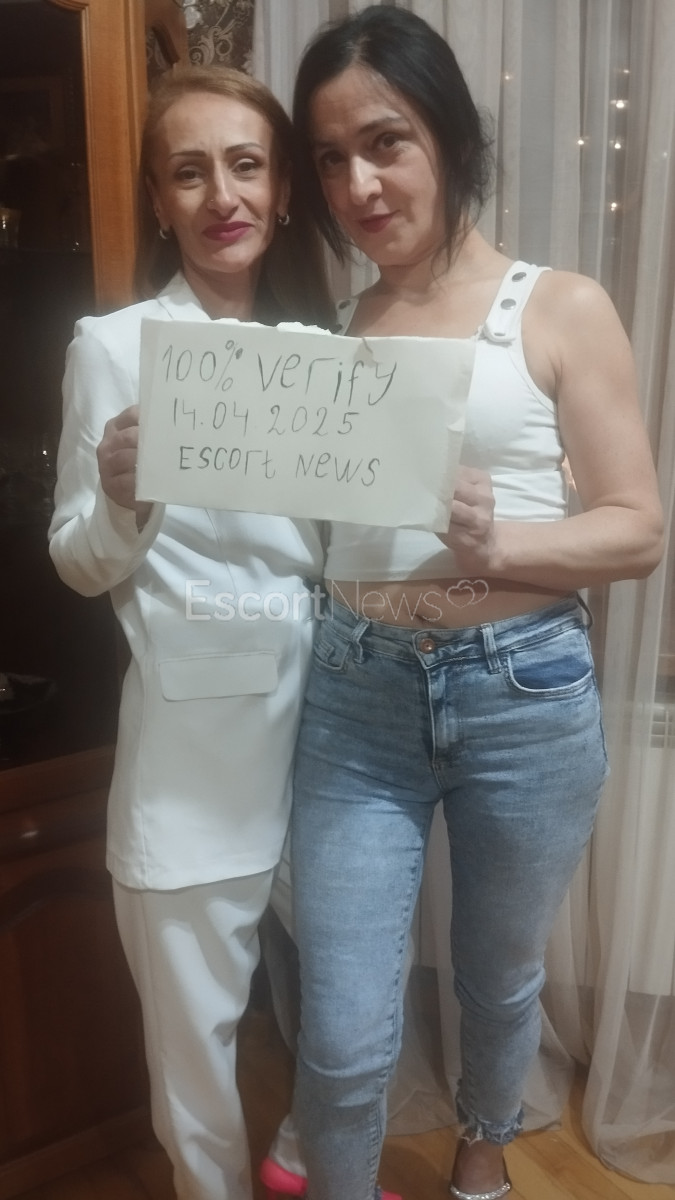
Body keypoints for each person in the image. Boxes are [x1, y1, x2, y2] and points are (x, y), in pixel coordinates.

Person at [276, 7, 665, 1200]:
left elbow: (639, 527)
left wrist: (505, 541)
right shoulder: (332, 334)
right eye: (330, 158)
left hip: (523, 694)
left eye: (385, 142)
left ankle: (483, 1160)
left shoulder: (560, 306)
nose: (358, 184)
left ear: (449, 135)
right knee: (345, 1020)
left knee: (499, 978)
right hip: (355, 696)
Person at [48, 64, 334, 1200]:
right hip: (194, 756)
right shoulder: (114, 347)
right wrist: (123, 502)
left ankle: (307, 1162)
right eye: (188, 171)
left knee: (352, 1004)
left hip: (336, 738)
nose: (223, 195)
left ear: (283, 192)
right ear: (159, 203)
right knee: (197, 1056)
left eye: (247, 165)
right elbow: (77, 559)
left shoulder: (331, 353)